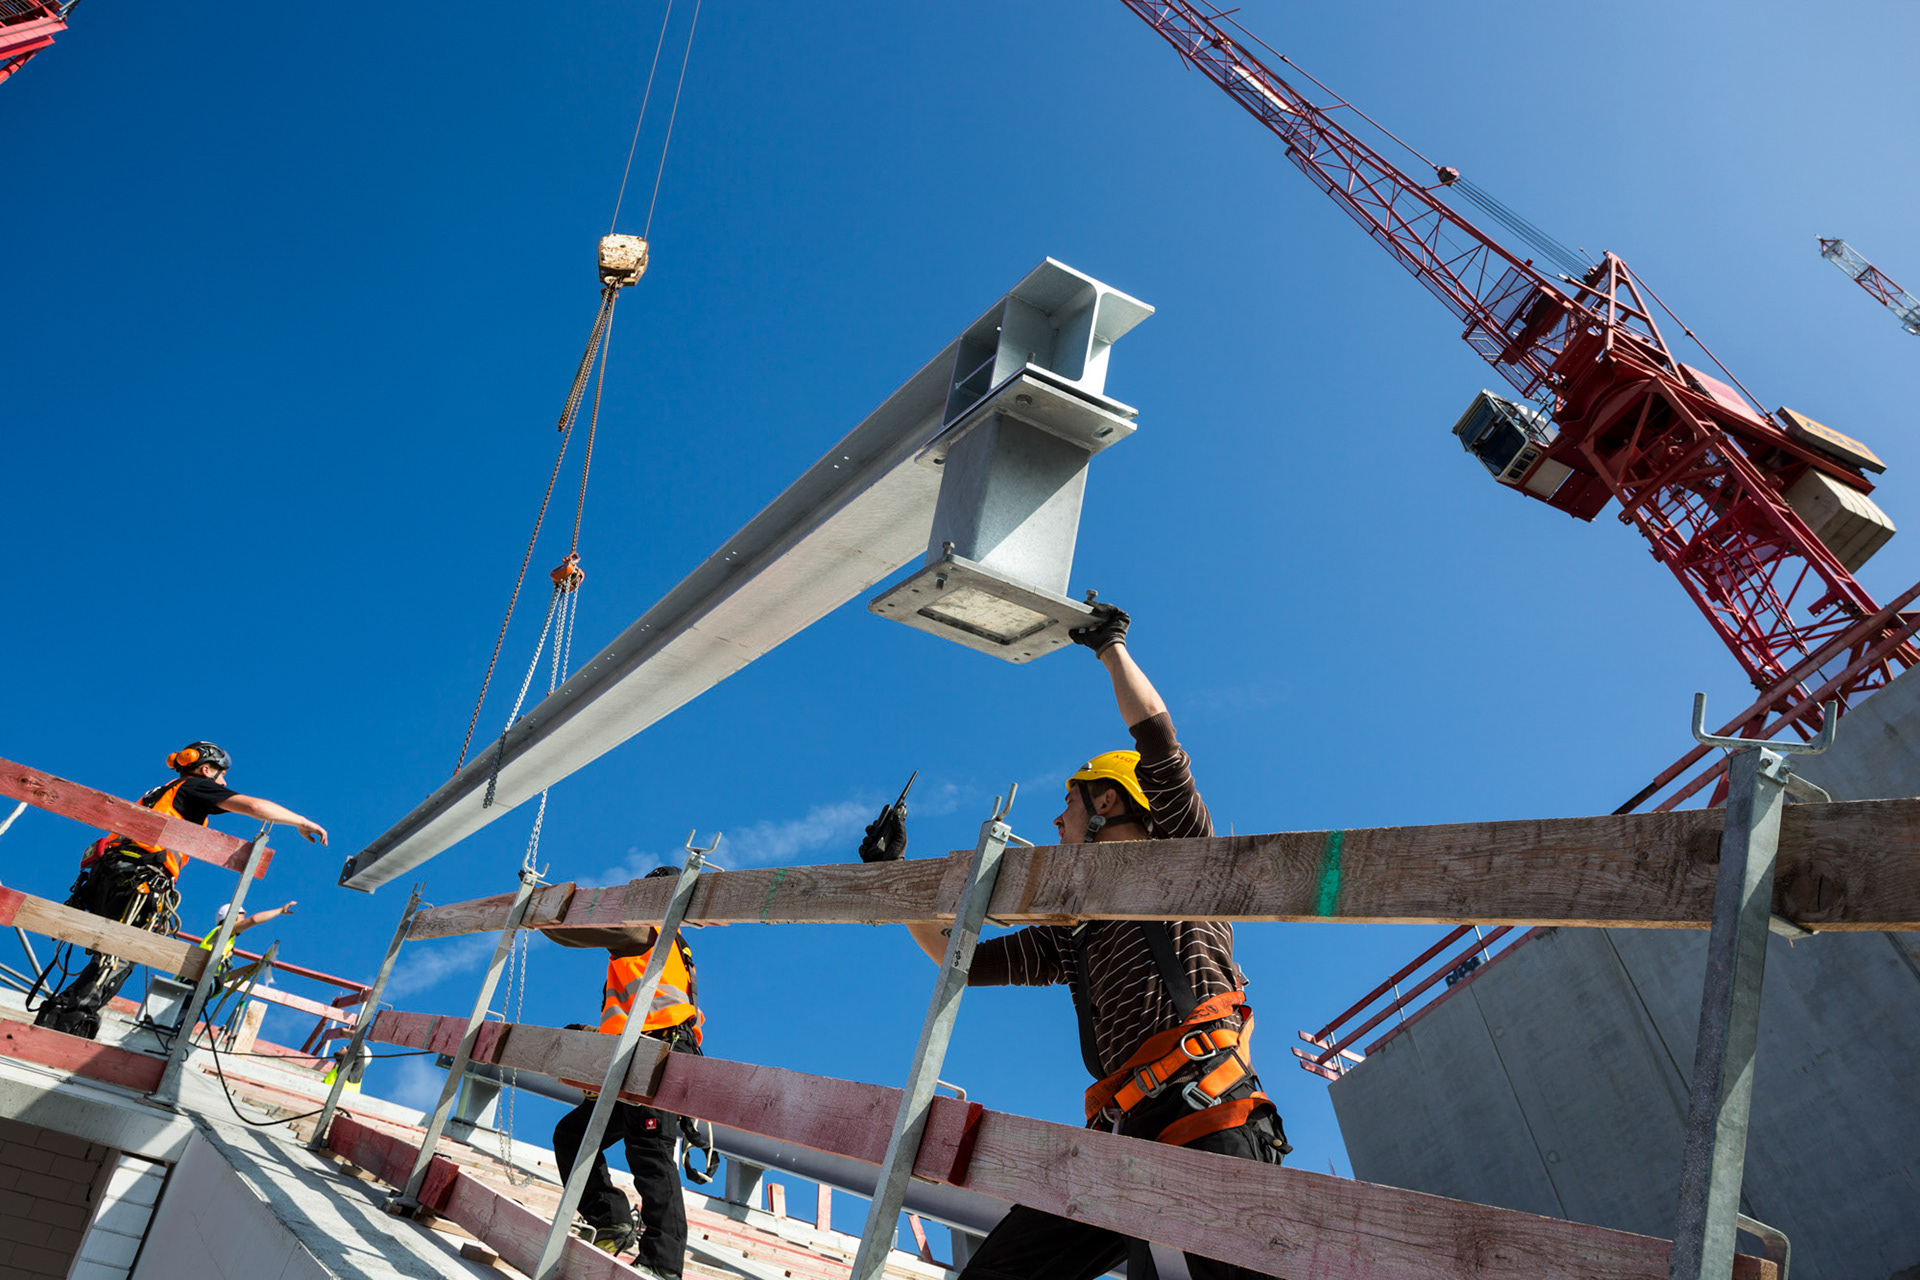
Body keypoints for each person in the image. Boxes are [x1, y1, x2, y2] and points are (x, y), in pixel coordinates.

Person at [898, 604, 1291, 1280]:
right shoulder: (1074, 938)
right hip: (1122, 1136)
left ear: (1109, 803)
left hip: (1208, 1115)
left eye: (1071, 804)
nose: (1056, 818)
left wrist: (1111, 648)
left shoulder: (1184, 869)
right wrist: (897, 881)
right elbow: (960, 958)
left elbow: (1160, 749)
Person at [34, 741, 327, 1040]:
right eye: (221, 775)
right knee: (122, 954)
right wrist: (301, 821)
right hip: (139, 879)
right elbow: (253, 806)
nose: (224, 783)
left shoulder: (159, 794)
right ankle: (67, 1020)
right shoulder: (192, 787)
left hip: (107, 877)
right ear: (205, 769)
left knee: (111, 954)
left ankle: (67, 1014)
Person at [552, 866, 703, 1279]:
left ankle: (663, 1263)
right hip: (634, 1055)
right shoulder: (666, 944)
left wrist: (547, 915)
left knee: (650, 1153)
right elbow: (630, 1010)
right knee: (574, 1136)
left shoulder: (649, 932)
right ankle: (613, 1219)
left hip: (658, 1052)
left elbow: (580, 933)